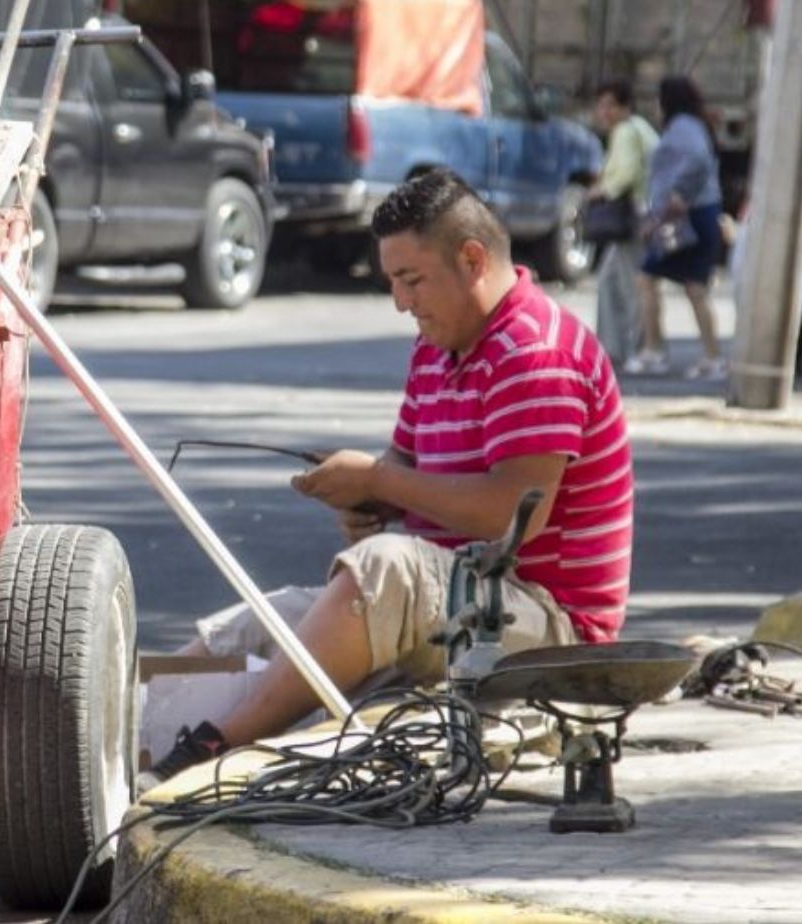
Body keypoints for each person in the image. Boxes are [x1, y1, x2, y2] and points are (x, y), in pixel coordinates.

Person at [142, 170, 634, 789]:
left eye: (412, 280)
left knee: (384, 570)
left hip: (549, 624)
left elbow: (508, 516)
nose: (402, 302)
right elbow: (403, 468)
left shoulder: (535, 354)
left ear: (473, 260)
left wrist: (379, 480)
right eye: (393, 283)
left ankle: (209, 756)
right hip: (451, 596)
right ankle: (102, 746)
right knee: (263, 623)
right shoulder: (436, 346)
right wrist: (367, 497)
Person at [629, 76, 725, 380]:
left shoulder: (683, 125)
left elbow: (697, 159)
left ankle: (655, 351)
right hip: (698, 214)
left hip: (689, 216)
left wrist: (679, 193)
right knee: (694, 287)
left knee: (649, 279)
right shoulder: (693, 124)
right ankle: (711, 356)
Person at [588, 80, 658, 367]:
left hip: (631, 219)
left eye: (610, 105)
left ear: (624, 107)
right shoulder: (640, 128)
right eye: (601, 105)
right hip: (641, 217)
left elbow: (627, 174)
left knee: (629, 285)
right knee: (609, 280)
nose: (604, 112)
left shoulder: (625, 132)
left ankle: (633, 349)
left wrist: (601, 190)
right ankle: (613, 348)